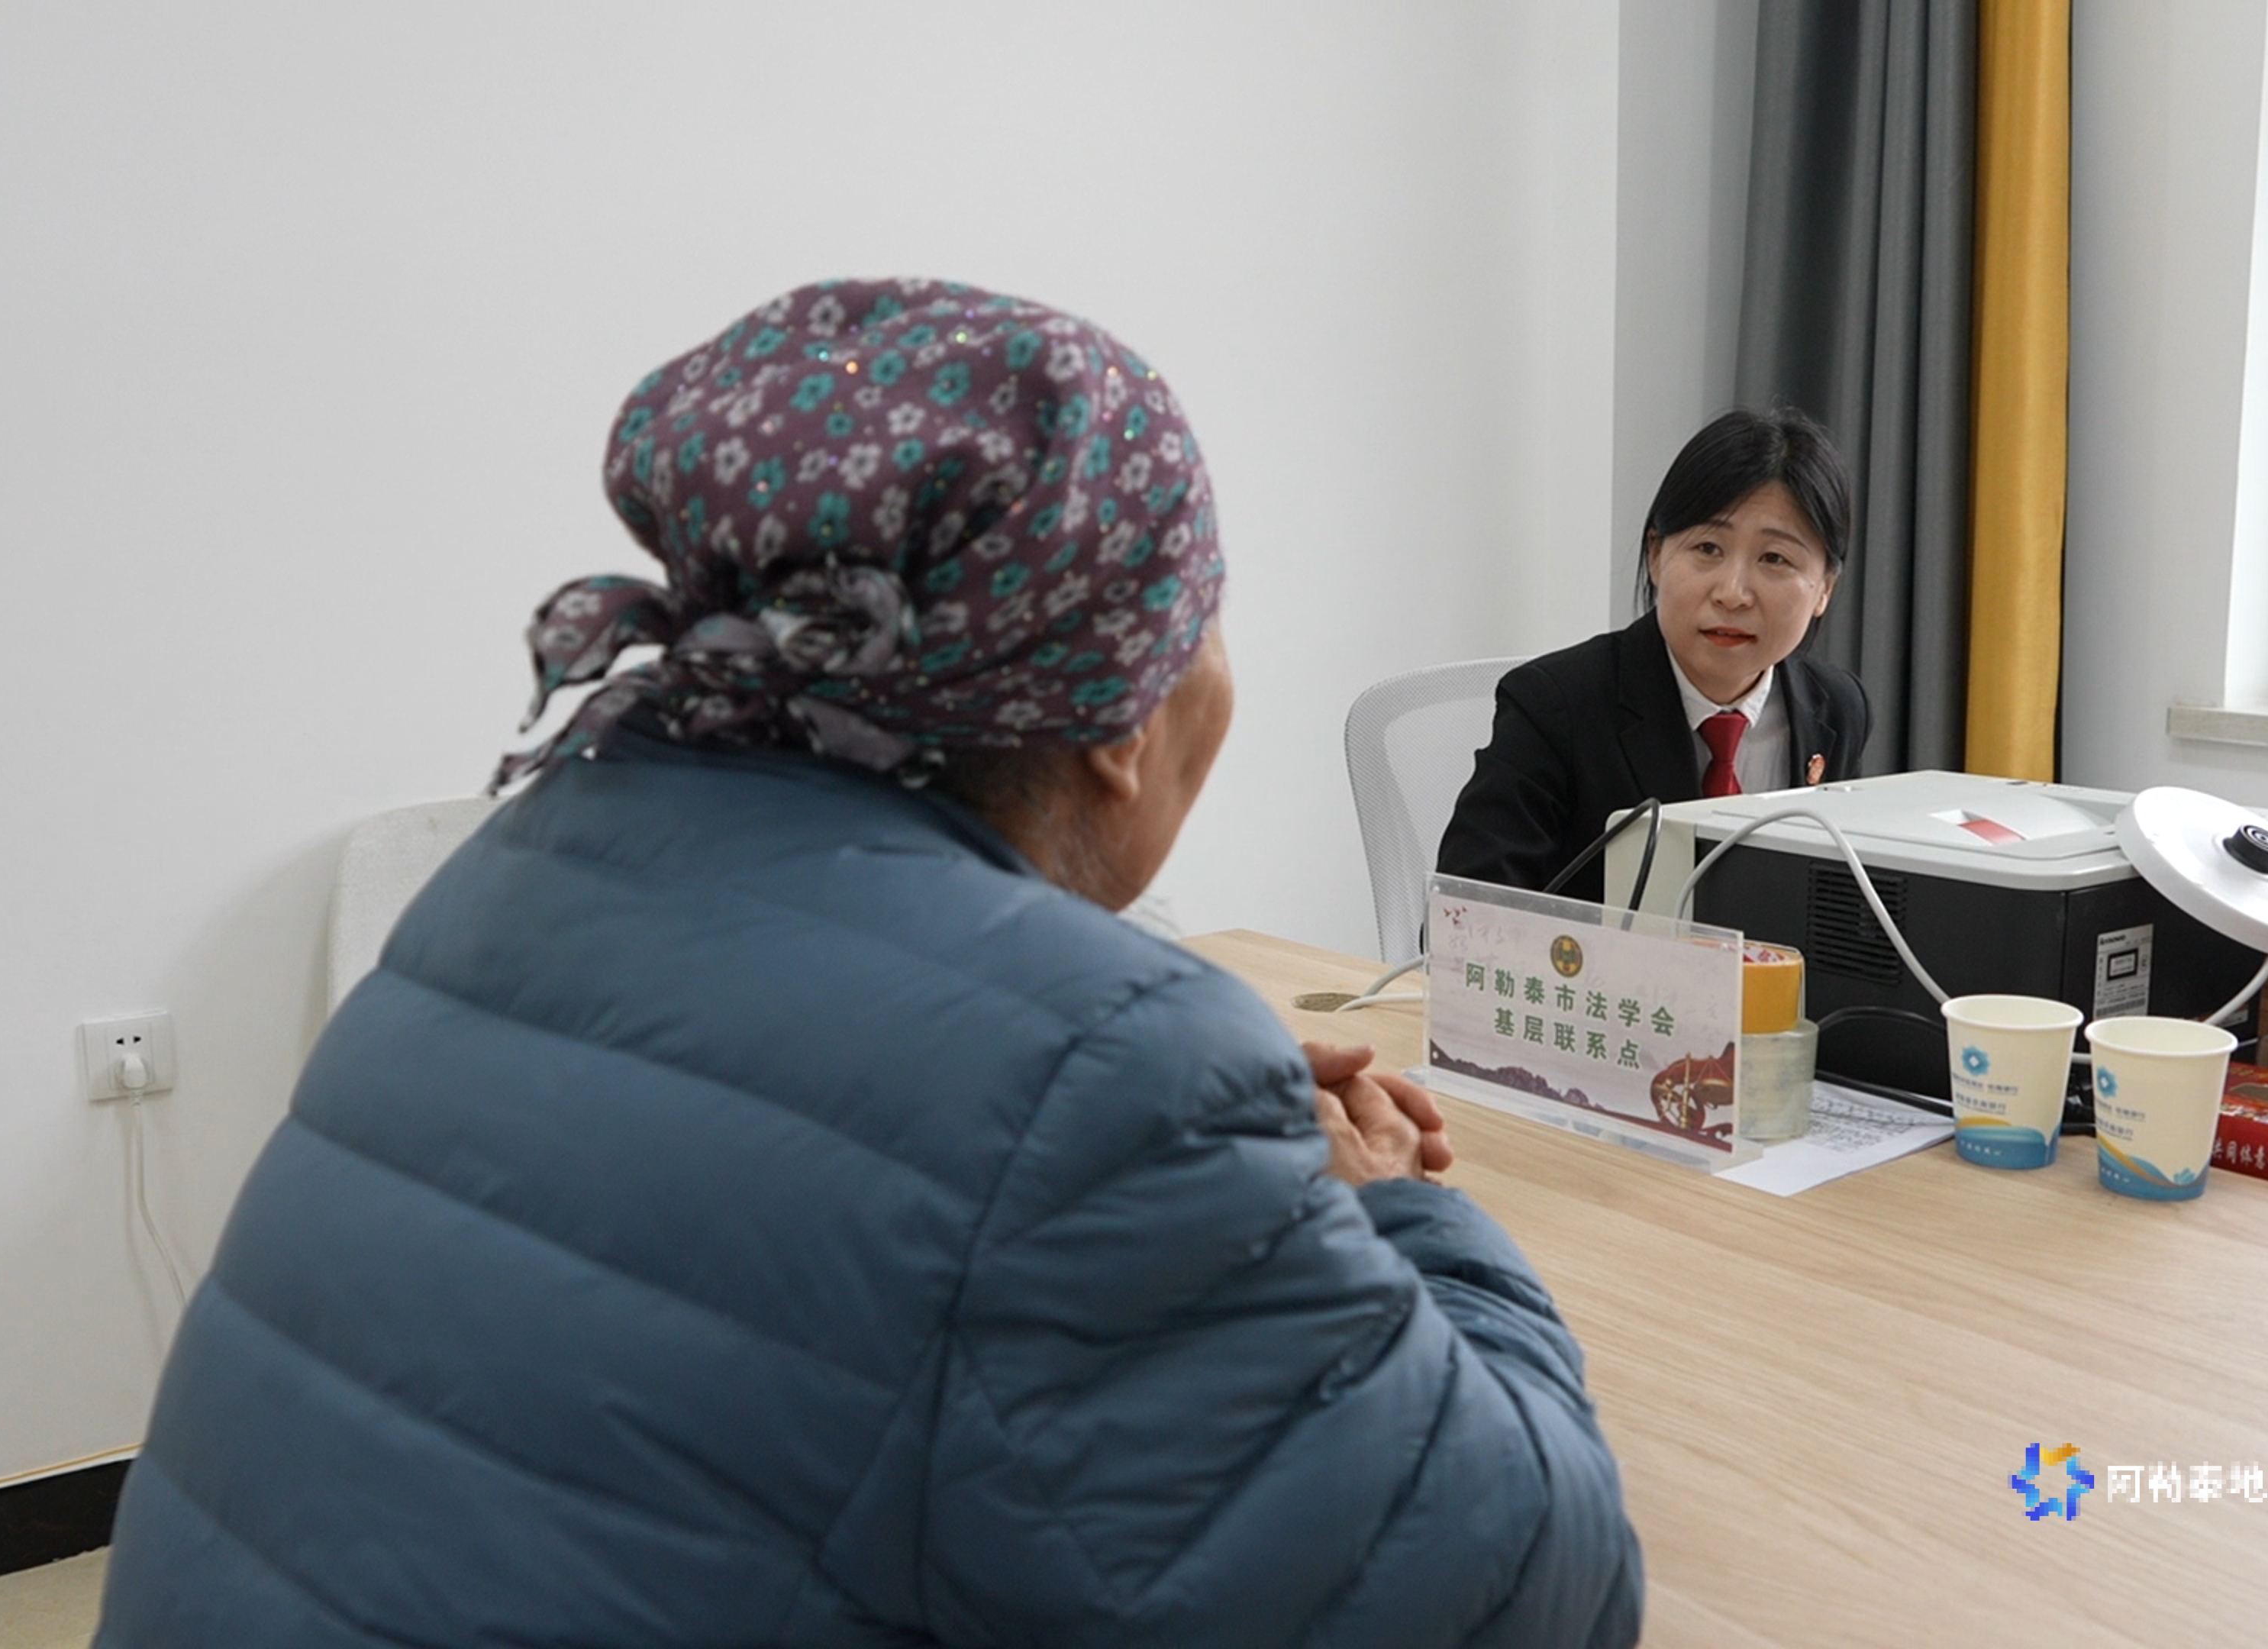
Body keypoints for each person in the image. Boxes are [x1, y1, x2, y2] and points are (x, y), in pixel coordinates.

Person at [95, 278, 1644, 1647]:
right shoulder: (1090, 1080)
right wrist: (1396, 1213)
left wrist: (1183, 1157)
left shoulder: (519, 877)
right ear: (1120, 721)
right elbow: (1525, 1598)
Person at [1437, 407, 1870, 899]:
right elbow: (1463, 916)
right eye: (1708, 548)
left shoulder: (1837, 709)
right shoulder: (1556, 707)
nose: (1733, 593)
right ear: (1657, 555)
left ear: (1824, 589)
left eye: (1775, 558)